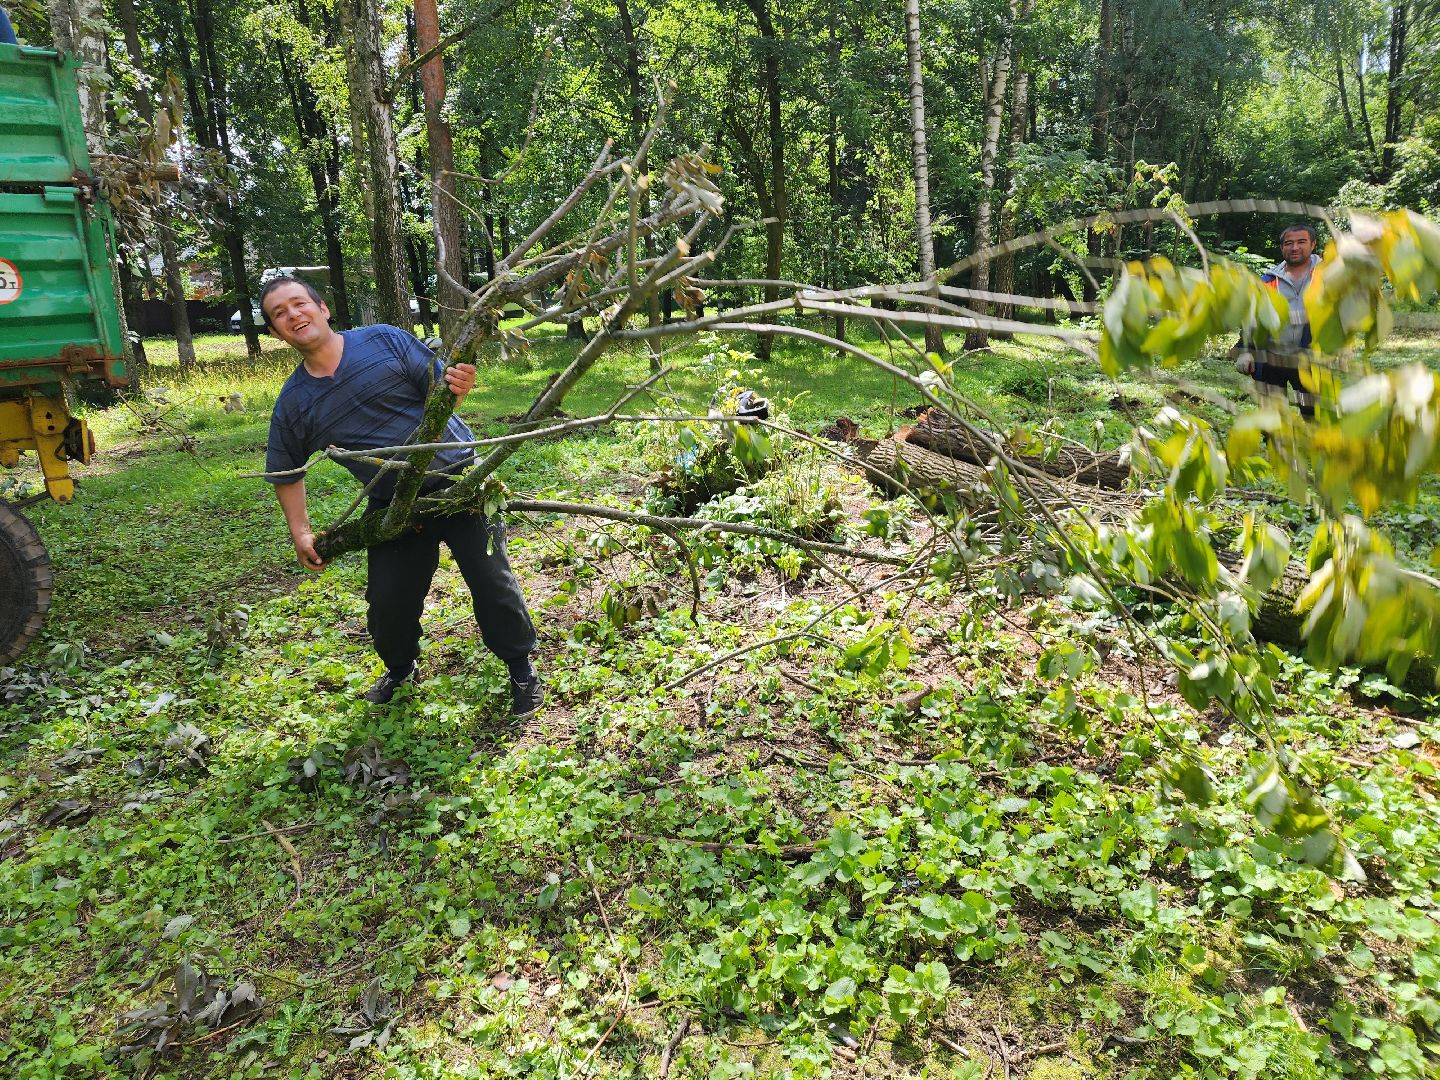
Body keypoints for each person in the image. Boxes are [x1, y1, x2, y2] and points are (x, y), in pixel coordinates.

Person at [261, 277, 543, 716]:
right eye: (279, 313)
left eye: (299, 304)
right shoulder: (294, 403)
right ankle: (401, 667)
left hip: (458, 483)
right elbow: (285, 471)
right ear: (277, 333)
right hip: (394, 507)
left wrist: (459, 384)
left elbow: (441, 389)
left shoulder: (384, 340)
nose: (293, 314)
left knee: (492, 582)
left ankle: (520, 666)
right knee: (388, 601)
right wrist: (301, 533)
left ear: (323, 308)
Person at [1231, 222, 1321, 415]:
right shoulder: (1267, 281)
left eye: (1301, 242)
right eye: (1289, 243)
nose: (1295, 247)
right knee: (1272, 418)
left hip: (1312, 360)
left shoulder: (1327, 277)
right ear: (1282, 247)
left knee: (1315, 415)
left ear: (1313, 244)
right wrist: (1245, 351)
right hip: (1272, 359)